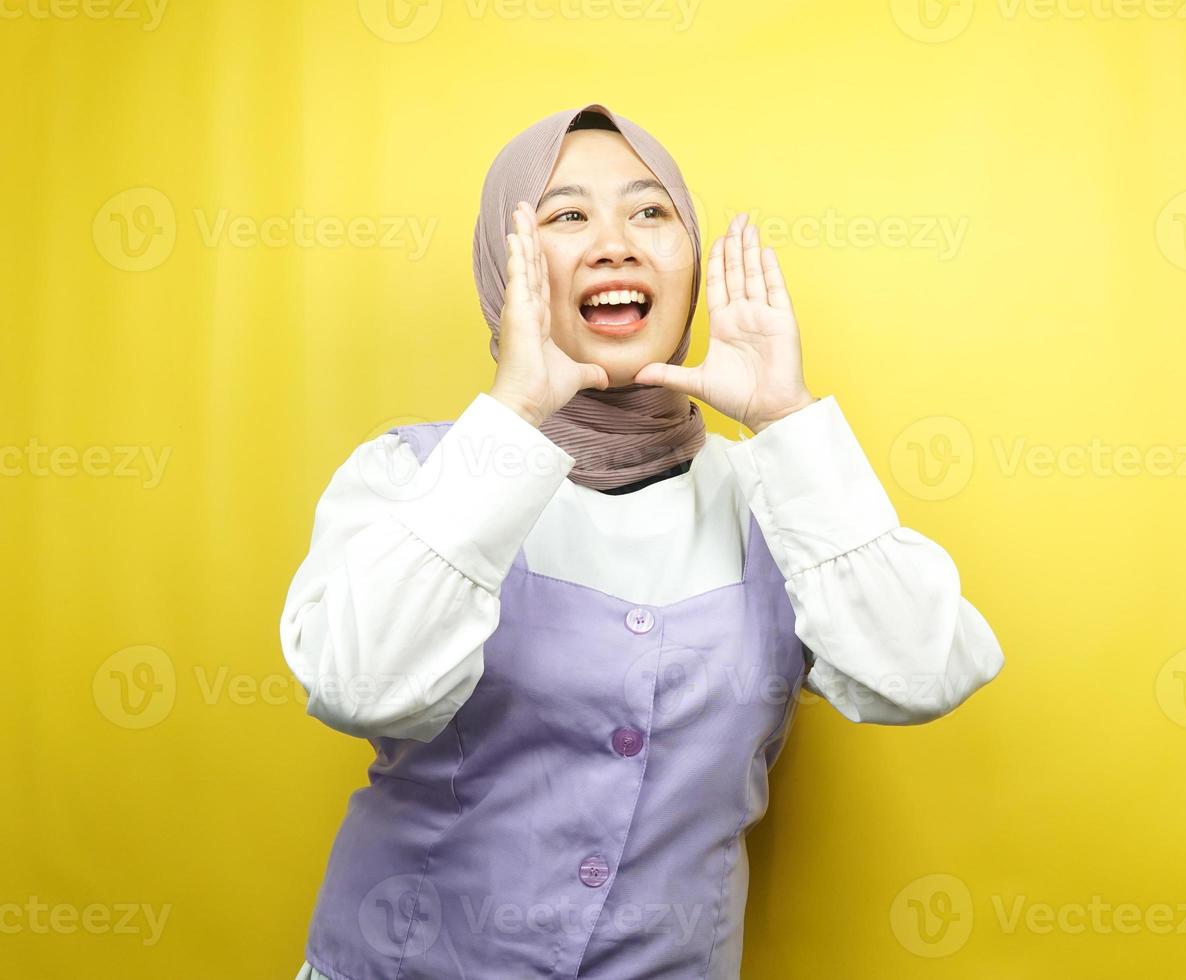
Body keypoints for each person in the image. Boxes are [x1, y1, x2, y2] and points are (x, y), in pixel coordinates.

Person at [280, 102, 1004, 979]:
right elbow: (361, 688)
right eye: (567, 214)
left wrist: (787, 419)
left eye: (650, 211)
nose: (616, 242)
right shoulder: (412, 474)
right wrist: (513, 416)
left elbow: (922, 674)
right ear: (504, 269)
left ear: (691, 267)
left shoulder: (773, 493)